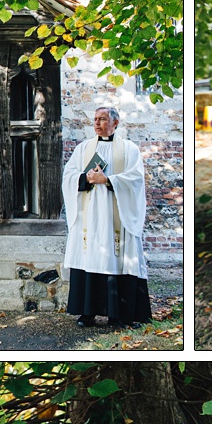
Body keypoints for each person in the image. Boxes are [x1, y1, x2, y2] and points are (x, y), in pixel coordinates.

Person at [63, 104, 152, 328]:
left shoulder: (129, 150)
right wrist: (85, 178)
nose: (97, 123)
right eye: (95, 119)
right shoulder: (83, 149)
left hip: (117, 216)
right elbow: (69, 175)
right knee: (90, 258)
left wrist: (109, 180)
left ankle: (119, 315)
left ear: (115, 123)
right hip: (90, 218)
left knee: (117, 261)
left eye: (102, 119)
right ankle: (87, 313)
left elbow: (136, 179)